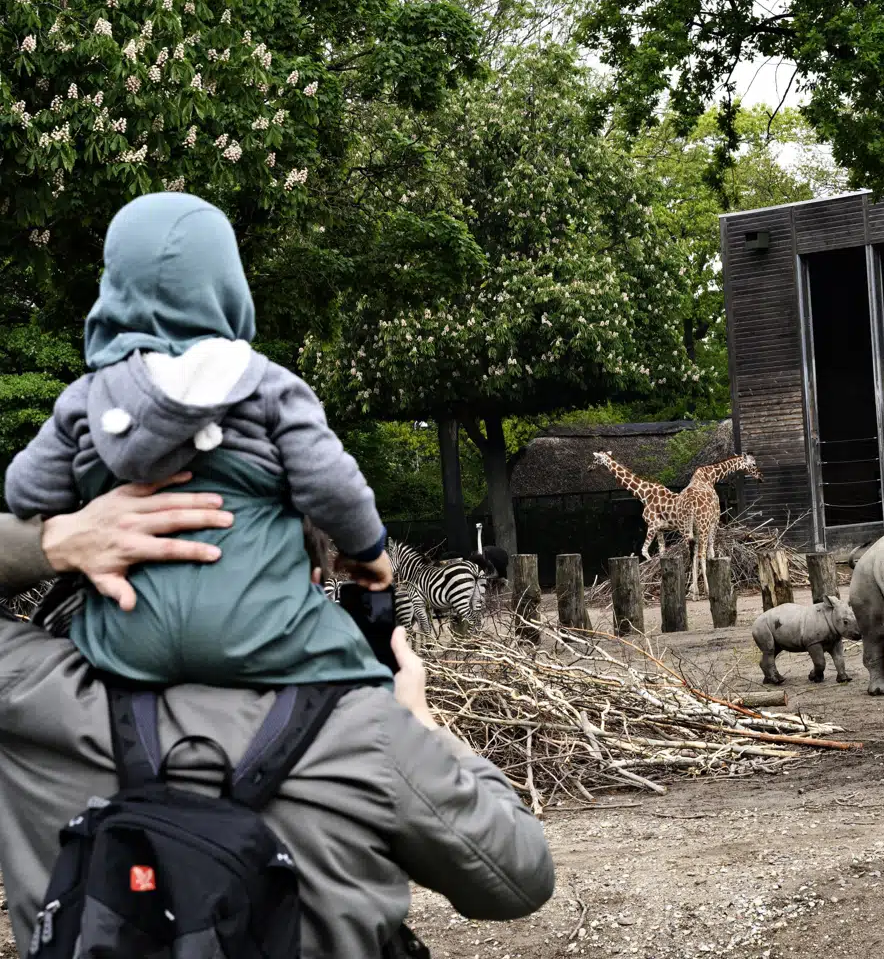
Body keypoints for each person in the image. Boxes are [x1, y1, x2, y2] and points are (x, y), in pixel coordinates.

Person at [0, 477, 555, 955]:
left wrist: (54, 540)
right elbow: (520, 875)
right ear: (314, 585)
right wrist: (422, 720)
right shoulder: (366, 728)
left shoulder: (31, 694)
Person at [3, 191, 394, 688]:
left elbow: (25, 491)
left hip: (122, 641)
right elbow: (333, 487)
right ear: (229, 285)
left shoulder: (86, 399)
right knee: (374, 679)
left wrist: (76, 517)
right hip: (268, 632)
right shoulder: (271, 386)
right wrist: (369, 550)